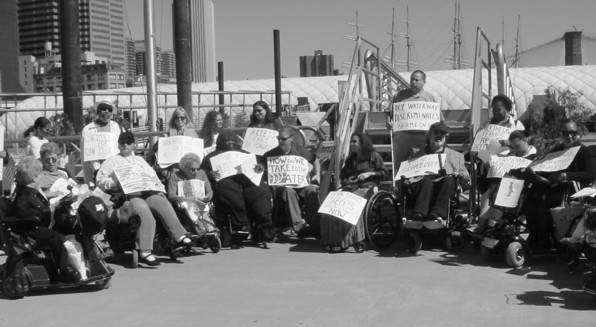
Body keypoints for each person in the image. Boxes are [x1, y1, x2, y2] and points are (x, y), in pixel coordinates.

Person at [96, 131, 192, 266]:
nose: (125, 145)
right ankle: (145, 251)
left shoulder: (140, 160)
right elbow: (99, 180)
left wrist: (158, 189)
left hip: (147, 192)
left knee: (162, 203)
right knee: (143, 210)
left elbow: (152, 176)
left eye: (128, 142)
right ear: (118, 145)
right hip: (128, 195)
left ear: (134, 145)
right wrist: (114, 183)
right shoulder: (111, 161)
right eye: (122, 142)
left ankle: (179, 235)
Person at [523, 118, 596, 250]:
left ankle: (545, 240)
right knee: (529, 201)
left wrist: (567, 175)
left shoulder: (585, 152)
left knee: (544, 205)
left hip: (571, 190)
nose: (569, 136)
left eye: (572, 132)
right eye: (565, 133)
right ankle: (535, 236)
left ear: (577, 133)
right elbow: (544, 167)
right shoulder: (555, 150)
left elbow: (590, 174)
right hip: (552, 186)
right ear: (561, 134)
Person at [13, 156, 80, 281]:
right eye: (38, 175)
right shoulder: (24, 194)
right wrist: (45, 210)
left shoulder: (32, 190)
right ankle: (65, 269)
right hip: (31, 229)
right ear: (33, 177)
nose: (40, 177)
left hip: (39, 224)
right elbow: (23, 213)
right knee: (57, 237)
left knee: (63, 230)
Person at [200, 130, 273, 243]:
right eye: (227, 140)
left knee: (259, 192)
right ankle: (242, 224)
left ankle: (264, 226)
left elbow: (259, 165)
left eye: (232, 140)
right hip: (226, 182)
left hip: (246, 181)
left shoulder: (245, 153)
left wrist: (260, 166)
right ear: (220, 142)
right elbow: (202, 172)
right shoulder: (211, 157)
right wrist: (210, 174)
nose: (230, 142)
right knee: (230, 191)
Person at [320, 132, 388, 252]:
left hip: (368, 187)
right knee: (333, 202)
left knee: (351, 203)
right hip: (351, 187)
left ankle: (352, 240)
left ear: (362, 143)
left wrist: (369, 174)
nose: (351, 144)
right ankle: (332, 239)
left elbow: (384, 173)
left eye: (354, 141)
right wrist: (348, 180)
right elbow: (343, 176)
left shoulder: (373, 156)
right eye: (351, 142)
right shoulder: (351, 159)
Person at [471, 131, 538, 237]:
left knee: (499, 187)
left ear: (525, 140)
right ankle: (484, 224)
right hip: (506, 183)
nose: (515, 149)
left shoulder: (535, 156)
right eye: (512, 147)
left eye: (517, 146)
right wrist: (486, 158)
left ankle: (489, 224)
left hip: (523, 187)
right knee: (490, 184)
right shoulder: (511, 155)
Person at [402, 122, 469, 225]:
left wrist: (458, 174)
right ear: (429, 135)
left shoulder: (456, 156)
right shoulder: (417, 155)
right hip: (423, 187)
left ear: (446, 137)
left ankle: (436, 214)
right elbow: (408, 174)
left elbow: (466, 176)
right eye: (436, 133)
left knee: (448, 180)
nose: (438, 136)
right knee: (425, 181)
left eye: (442, 134)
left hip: (444, 187)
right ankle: (419, 214)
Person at [262, 126, 321, 237]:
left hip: (300, 184)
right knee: (289, 191)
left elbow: (315, 160)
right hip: (282, 187)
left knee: (311, 190)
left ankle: (316, 226)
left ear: (291, 138)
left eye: (283, 139)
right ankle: (299, 226)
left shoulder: (299, 150)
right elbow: (262, 167)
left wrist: (316, 174)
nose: (280, 141)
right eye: (279, 138)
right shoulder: (271, 154)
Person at [390, 70, 441, 178]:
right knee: (398, 168)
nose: (413, 82)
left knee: (420, 169)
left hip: (421, 138)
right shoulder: (399, 96)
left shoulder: (430, 99)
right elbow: (390, 115)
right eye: (411, 79)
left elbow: (438, 121)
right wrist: (389, 122)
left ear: (424, 82)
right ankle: (398, 192)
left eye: (417, 80)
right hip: (402, 137)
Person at [81, 99, 127, 185]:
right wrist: (89, 183)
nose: (107, 112)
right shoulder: (87, 130)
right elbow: (85, 160)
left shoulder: (117, 127)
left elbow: (125, 148)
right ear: (97, 111)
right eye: (104, 108)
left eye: (110, 110)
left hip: (117, 170)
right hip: (98, 173)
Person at [166, 152, 213, 217]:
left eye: (198, 169)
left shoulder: (201, 173)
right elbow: (171, 196)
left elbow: (209, 191)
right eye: (193, 169)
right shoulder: (175, 176)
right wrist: (186, 199)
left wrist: (207, 197)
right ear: (184, 168)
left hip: (202, 206)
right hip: (184, 210)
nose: (196, 171)